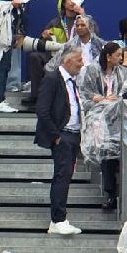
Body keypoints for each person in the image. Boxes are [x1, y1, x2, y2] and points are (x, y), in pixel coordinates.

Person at [35, 45, 85, 236]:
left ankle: (60, 218)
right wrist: (56, 136)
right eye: (79, 60)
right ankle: (57, 219)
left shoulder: (72, 81)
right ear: (68, 61)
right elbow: (42, 110)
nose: (82, 64)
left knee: (66, 176)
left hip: (73, 134)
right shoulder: (53, 78)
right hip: (62, 135)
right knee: (62, 176)